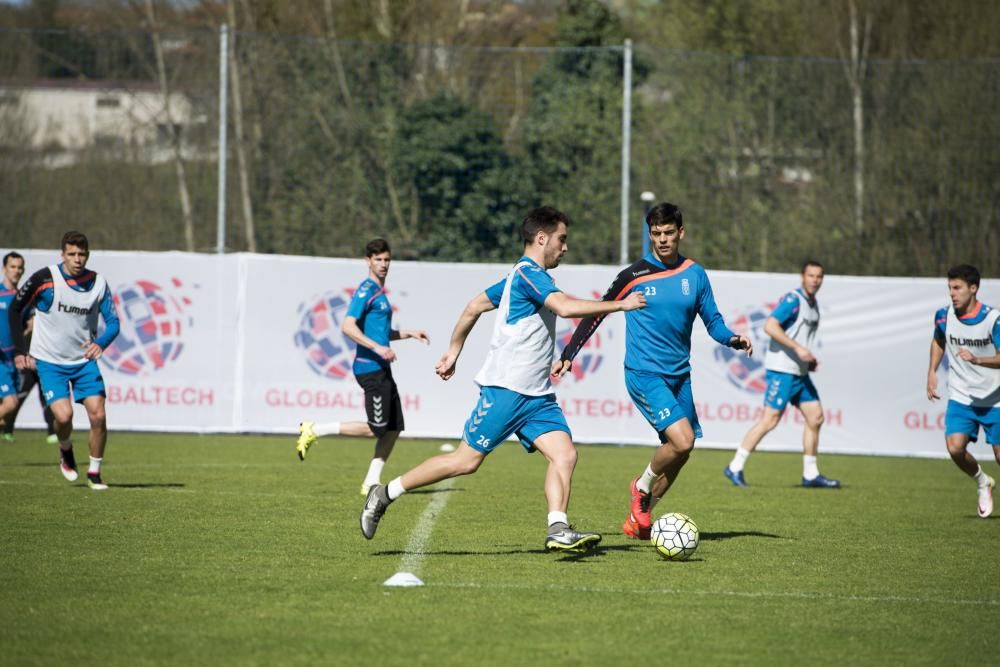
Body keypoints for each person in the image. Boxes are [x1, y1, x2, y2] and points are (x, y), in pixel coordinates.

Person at [359, 206, 646, 551]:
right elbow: (566, 308)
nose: (565, 247)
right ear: (542, 238)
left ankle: (557, 527)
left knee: (565, 455)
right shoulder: (528, 275)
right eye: (561, 239)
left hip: (537, 396)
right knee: (465, 462)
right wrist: (621, 305)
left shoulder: (519, 277)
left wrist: (454, 350)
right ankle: (385, 493)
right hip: (507, 391)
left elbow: (473, 306)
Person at [558, 202, 752, 540]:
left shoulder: (695, 274)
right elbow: (596, 314)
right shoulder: (632, 276)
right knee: (682, 440)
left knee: (681, 452)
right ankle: (641, 486)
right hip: (645, 374)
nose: (662, 240)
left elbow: (714, 322)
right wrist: (569, 352)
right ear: (650, 235)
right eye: (656, 234)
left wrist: (733, 339)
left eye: (668, 233)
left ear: (681, 233)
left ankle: (639, 518)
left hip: (679, 376)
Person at [295, 238, 430, 497]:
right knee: (375, 429)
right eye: (378, 259)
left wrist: (407, 333)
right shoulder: (366, 289)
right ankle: (314, 429)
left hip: (382, 368)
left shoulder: (380, 293)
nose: (383, 264)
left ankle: (371, 482)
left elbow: (380, 333)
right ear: (367, 261)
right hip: (370, 369)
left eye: (386, 259)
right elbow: (347, 326)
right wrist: (378, 349)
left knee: (394, 429)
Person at [8, 232, 120, 490]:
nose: (77, 259)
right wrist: (19, 350)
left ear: (88, 255)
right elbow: (15, 309)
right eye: (72, 254)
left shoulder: (98, 283)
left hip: (83, 362)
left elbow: (113, 323)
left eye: (82, 254)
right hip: (49, 362)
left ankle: (94, 472)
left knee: (99, 415)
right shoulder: (45, 279)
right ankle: (66, 447)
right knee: (64, 415)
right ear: (62, 255)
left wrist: (100, 344)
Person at [723, 260, 840, 488]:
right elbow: (770, 325)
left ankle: (810, 474)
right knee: (769, 420)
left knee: (816, 417)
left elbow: (801, 337)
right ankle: (734, 466)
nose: (815, 280)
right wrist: (798, 349)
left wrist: (808, 360)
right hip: (781, 370)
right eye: (811, 275)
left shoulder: (813, 304)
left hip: (799, 372)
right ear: (802, 277)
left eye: (819, 276)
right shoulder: (793, 300)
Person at [926, 264, 1000, 518]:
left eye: (957, 288)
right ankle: (982, 482)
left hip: (995, 399)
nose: (952, 293)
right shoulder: (943, 316)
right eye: (949, 288)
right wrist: (932, 372)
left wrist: (979, 360)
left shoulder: (993, 319)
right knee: (955, 448)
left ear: (973, 288)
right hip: (961, 396)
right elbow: (938, 340)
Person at [0, 252, 57, 444]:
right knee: (10, 404)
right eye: (12, 267)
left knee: (6, 413)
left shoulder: (25, 300)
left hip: (14, 361)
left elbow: (26, 327)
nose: (16, 271)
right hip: (1, 359)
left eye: (19, 267)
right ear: (4, 269)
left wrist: (30, 329)